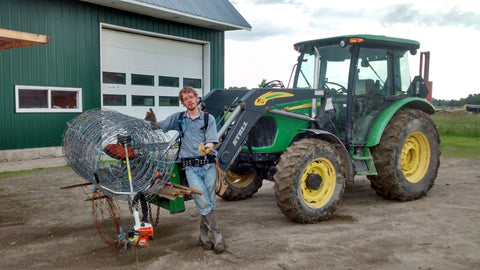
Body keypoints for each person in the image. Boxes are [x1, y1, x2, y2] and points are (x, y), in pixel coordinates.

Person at [145, 86, 225, 254]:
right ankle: (217, 235)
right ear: (182, 103)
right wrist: (153, 122)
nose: (189, 100)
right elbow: (160, 126)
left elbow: (212, 140)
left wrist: (207, 148)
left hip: (208, 165)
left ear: (196, 98)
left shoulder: (207, 119)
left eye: (191, 97)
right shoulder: (179, 118)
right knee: (202, 200)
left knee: (209, 202)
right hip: (191, 168)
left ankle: (203, 235)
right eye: (185, 99)